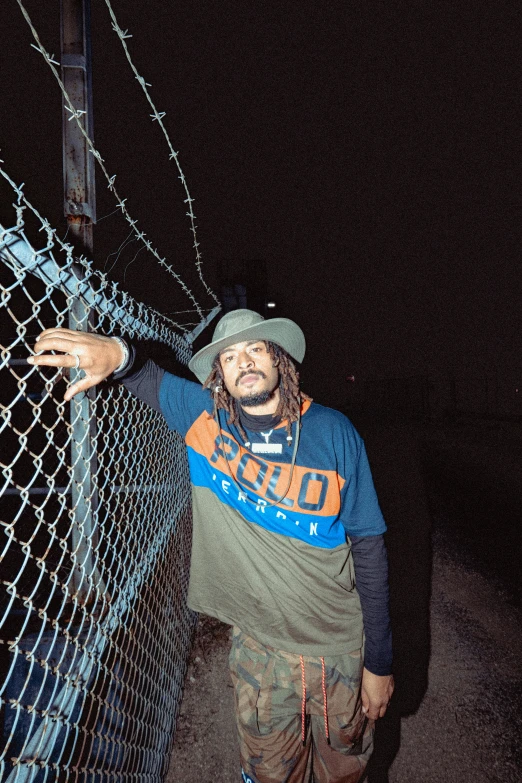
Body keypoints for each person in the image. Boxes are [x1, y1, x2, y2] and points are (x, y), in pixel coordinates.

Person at [29, 308, 394, 783]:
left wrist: (379, 663)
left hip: (340, 648)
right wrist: (116, 353)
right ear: (219, 374)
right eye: (230, 356)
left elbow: (369, 547)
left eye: (255, 349)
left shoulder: (335, 432)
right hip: (261, 652)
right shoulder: (206, 421)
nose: (244, 362)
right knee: (268, 775)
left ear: (277, 358)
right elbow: (144, 374)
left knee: (346, 772)